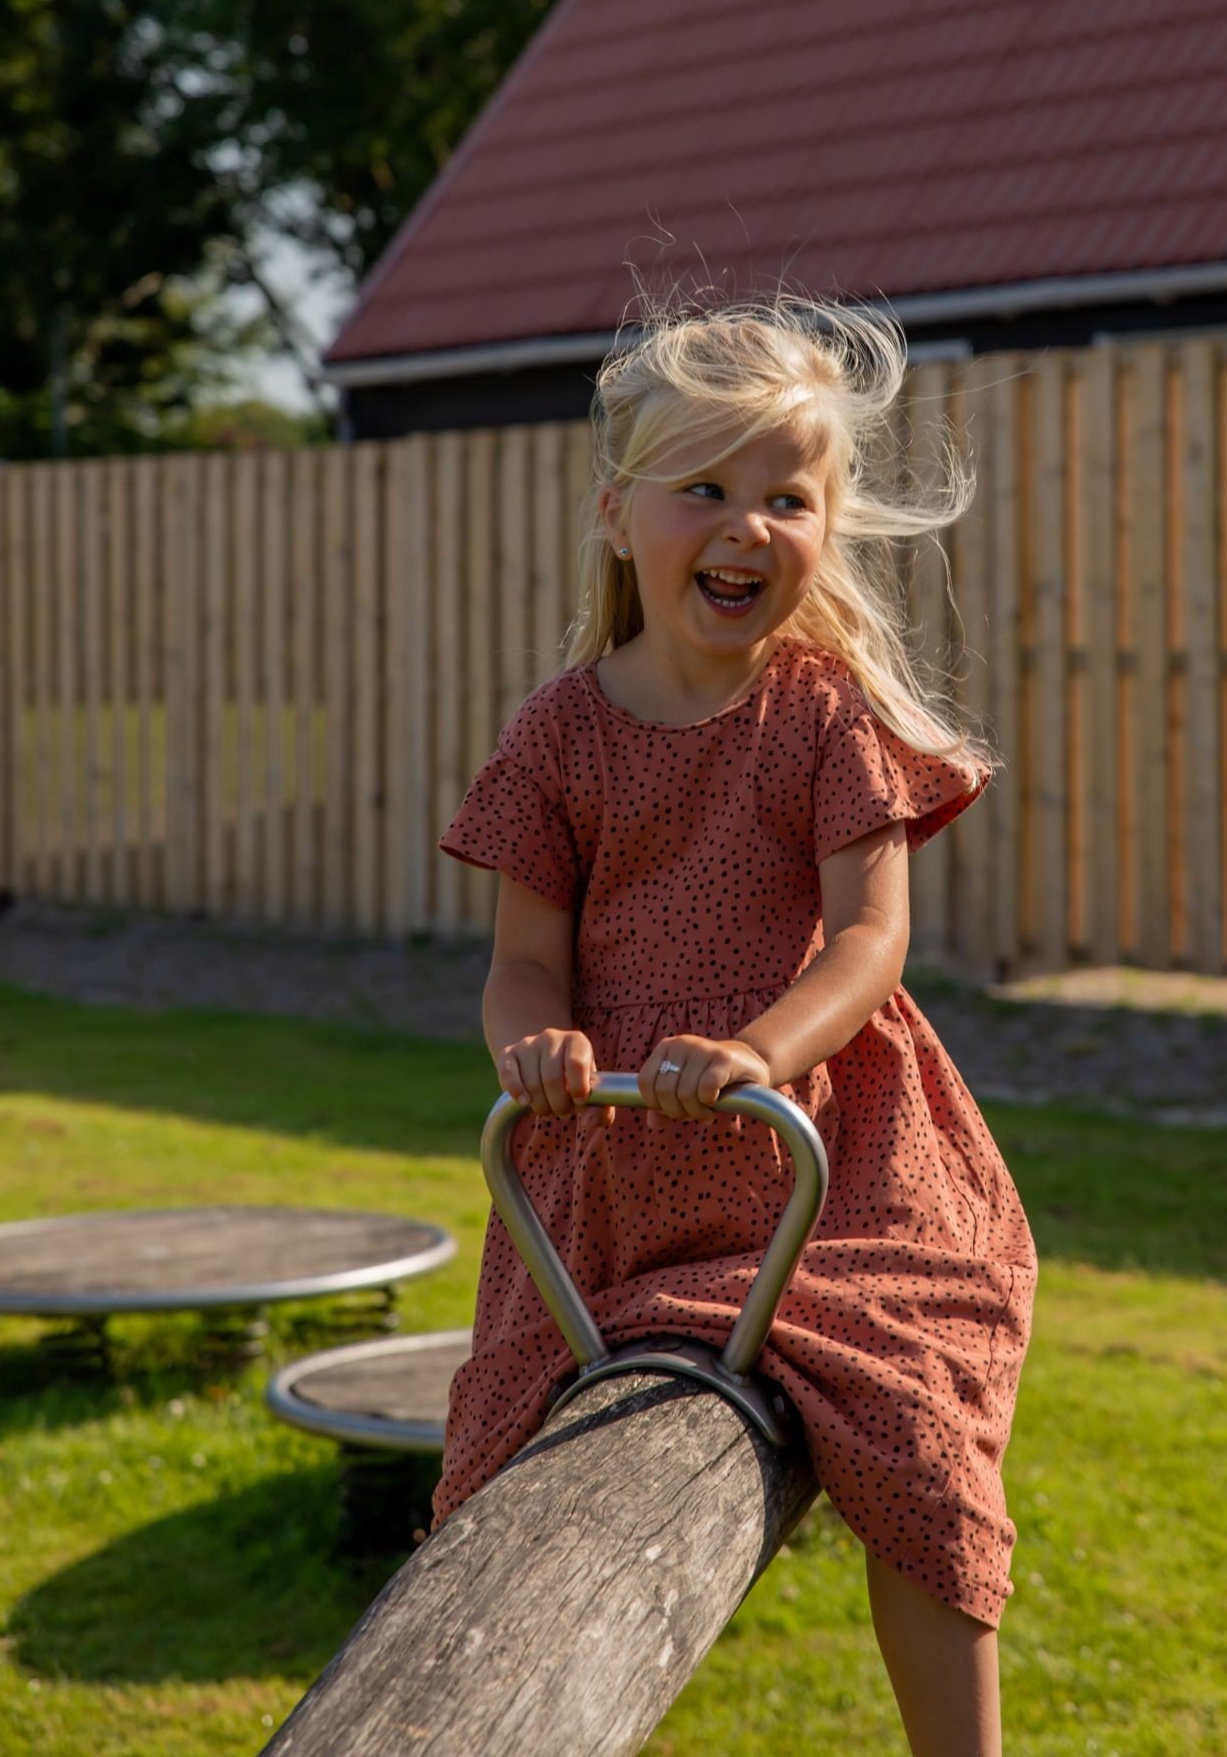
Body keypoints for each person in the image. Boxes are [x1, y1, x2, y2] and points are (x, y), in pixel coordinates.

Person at [433, 291, 1036, 1757]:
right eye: (704, 489)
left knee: (913, 1430)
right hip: (622, 1171)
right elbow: (523, 960)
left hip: (819, 1161)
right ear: (616, 513)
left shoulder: (824, 717)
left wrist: (766, 1049)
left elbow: (869, 941)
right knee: (492, 1468)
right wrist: (537, 1044)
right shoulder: (560, 731)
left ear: (827, 525)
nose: (746, 527)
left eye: (786, 497)